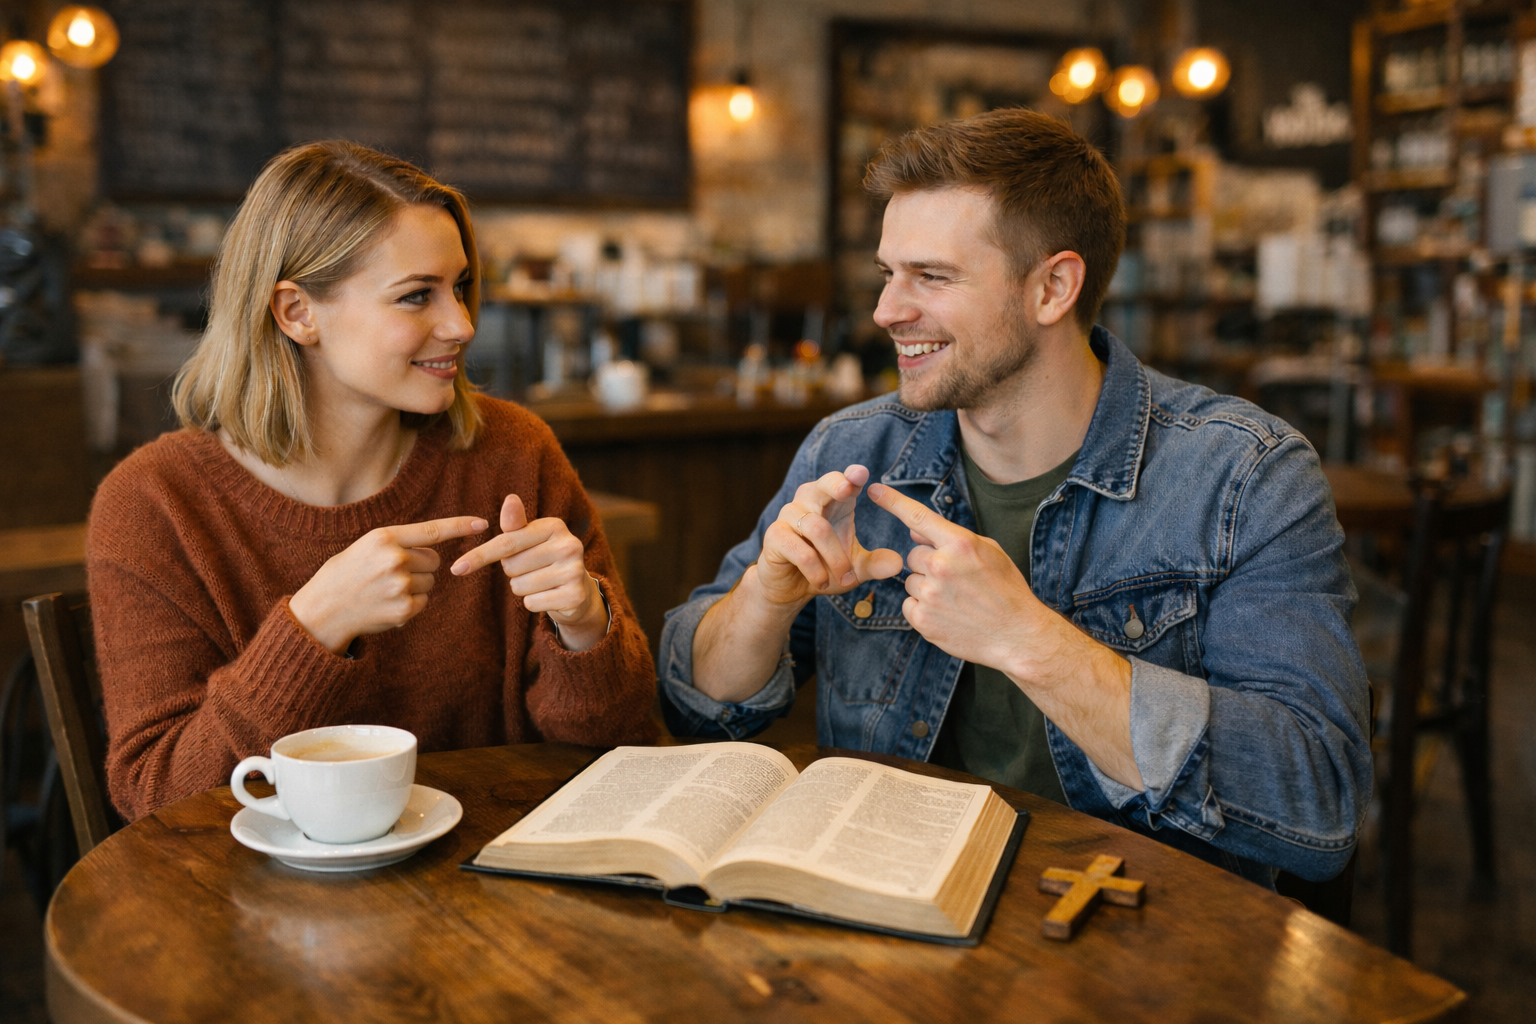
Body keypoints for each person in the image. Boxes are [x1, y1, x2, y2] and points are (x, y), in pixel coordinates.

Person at [657, 110, 1371, 887]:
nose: (887, 311)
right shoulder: (853, 451)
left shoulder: (1244, 477)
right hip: (884, 909)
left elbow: (1317, 800)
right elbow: (698, 706)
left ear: (1053, 288)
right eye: (887, 274)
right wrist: (764, 599)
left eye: (931, 277)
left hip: (1132, 929)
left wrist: (1028, 641)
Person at [89, 142, 655, 821]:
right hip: (261, 886)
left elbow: (622, 747)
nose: (462, 324)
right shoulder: (155, 504)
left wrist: (585, 626)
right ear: (297, 313)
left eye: (460, 287)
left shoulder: (513, 455)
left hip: (500, 870)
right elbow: (157, 800)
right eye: (416, 296)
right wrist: (316, 624)